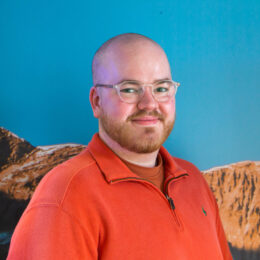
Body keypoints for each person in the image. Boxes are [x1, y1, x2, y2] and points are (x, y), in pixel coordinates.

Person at [7, 33, 233, 259]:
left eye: (161, 88)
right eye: (129, 89)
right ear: (97, 102)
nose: (149, 103)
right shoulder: (65, 196)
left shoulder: (193, 182)